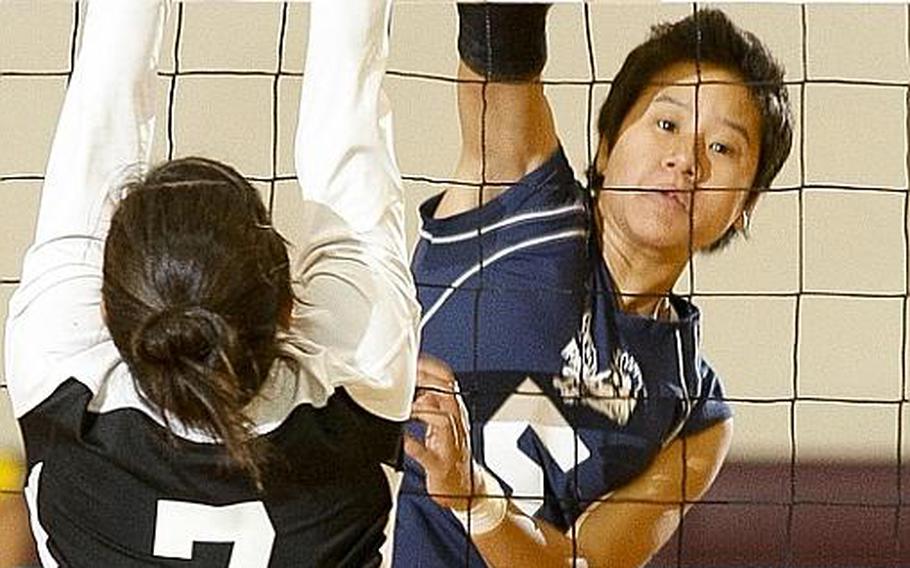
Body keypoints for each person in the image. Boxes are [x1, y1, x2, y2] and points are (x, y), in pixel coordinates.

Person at [4, 0, 418, 566]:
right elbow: (350, 125)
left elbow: (103, 101)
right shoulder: (353, 385)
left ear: (103, 309)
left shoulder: (62, 376)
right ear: (288, 309)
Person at [395, 4, 792, 567]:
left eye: (722, 148)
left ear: (744, 207)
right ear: (606, 145)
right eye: (667, 124)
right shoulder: (521, 203)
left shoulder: (695, 413)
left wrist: (474, 500)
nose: (685, 160)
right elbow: (501, 40)